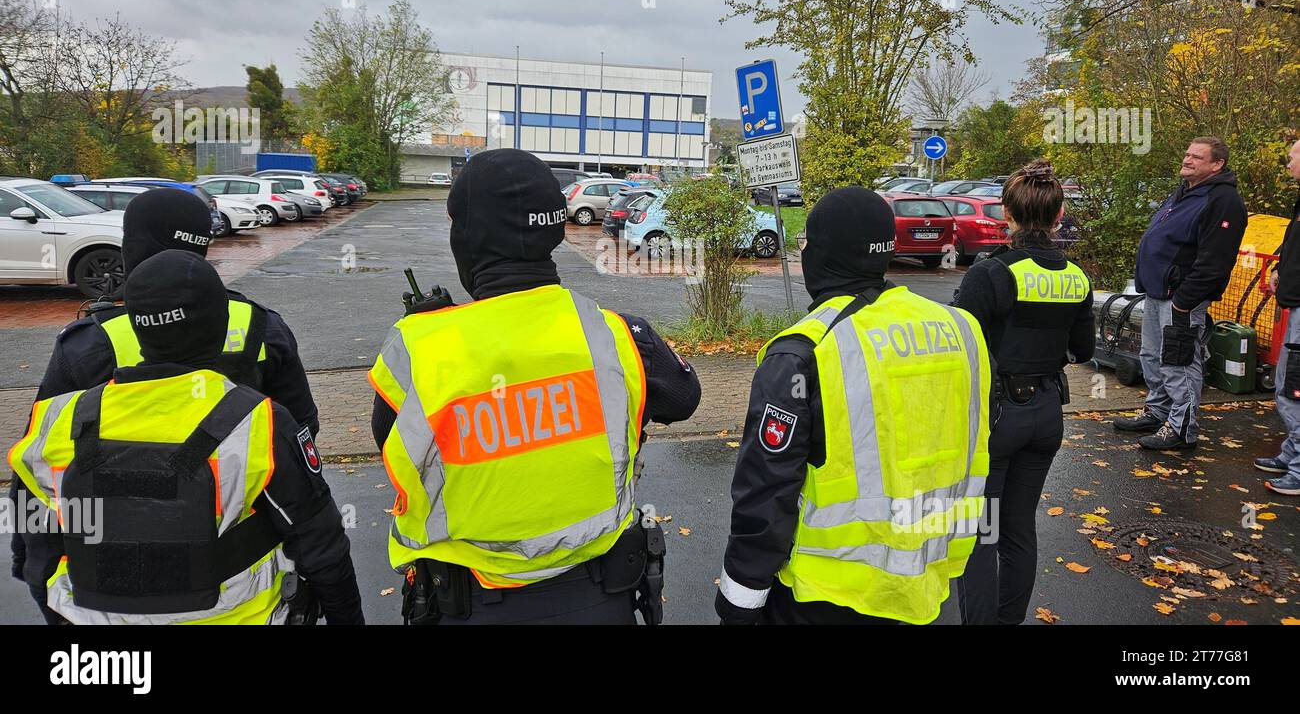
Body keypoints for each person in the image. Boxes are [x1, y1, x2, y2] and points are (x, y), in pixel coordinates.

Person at [368, 148, 700, 625]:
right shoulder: (618, 335)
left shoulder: (418, 348)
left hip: (469, 603)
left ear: (467, 239)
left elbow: (391, 442)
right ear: (554, 229)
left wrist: (436, 329)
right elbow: (684, 398)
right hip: (599, 598)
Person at [10, 187, 319, 622]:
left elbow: (36, 466)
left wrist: (31, 563)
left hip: (107, 586)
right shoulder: (262, 327)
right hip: (238, 580)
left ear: (134, 248)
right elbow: (302, 437)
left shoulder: (93, 341)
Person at [715, 186, 991, 625]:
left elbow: (767, 488)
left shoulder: (805, 350)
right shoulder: (961, 329)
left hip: (828, 594)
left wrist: (740, 597)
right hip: (926, 578)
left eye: (807, 242)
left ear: (824, 253)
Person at [951, 161, 1096, 625]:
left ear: (1006, 213)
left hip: (996, 419)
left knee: (982, 531)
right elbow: (1083, 350)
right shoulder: (1077, 277)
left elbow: (961, 345)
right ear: (1059, 216)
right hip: (1047, 415)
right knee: (1017, 529)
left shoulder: (991, 272)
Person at [1114, 137, 1247, 450]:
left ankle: (1181, 428)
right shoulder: (1184, 192)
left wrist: (1185, 301)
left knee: (1179, 363)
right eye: (1187, 154)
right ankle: (1158, 411)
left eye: (1197, 157)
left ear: (1217, 164)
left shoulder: (1223, 200)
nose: (1188, 160)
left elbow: (1215, 261)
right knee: (1151, 356)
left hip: (1181, 300)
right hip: (1157, 293)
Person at [1260, 138, 1300, 496]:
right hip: (1294, 303)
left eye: (1292, 158)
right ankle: (1291, 454)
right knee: (1286, 383)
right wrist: (1278, 269)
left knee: (1295, 387)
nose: (1287, 164)